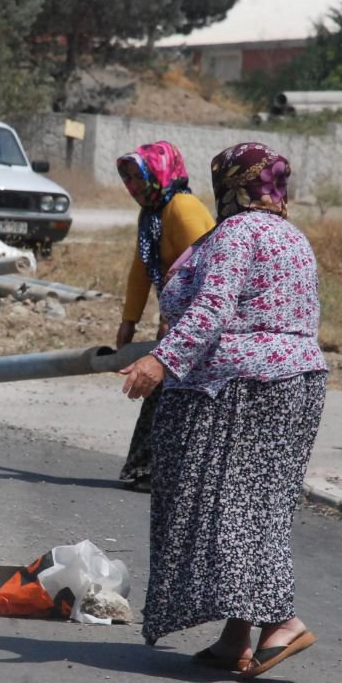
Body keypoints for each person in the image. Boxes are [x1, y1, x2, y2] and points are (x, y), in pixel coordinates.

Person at [119, 142, 328, 678]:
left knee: (226, 508)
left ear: (230, 184)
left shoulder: (238, 234)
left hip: (241, 388)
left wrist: (161, 361)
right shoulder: (292, 236)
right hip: (293, 385)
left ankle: (281, 620)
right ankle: (237, 634)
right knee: (256, 507)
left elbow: (215, 305)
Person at [114, 141, 215, 492]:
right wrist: (129, 319)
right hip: (179, 321)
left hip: (200, 324)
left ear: (158, 174)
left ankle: (161, 471)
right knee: (163, 393)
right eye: (129, 181)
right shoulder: (153, 215)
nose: (134, 189)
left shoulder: (182, 209)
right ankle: (148, 470)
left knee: (172, 395)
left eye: (138, 179)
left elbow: (207, 266)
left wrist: (175, 321)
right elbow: (142, 269)